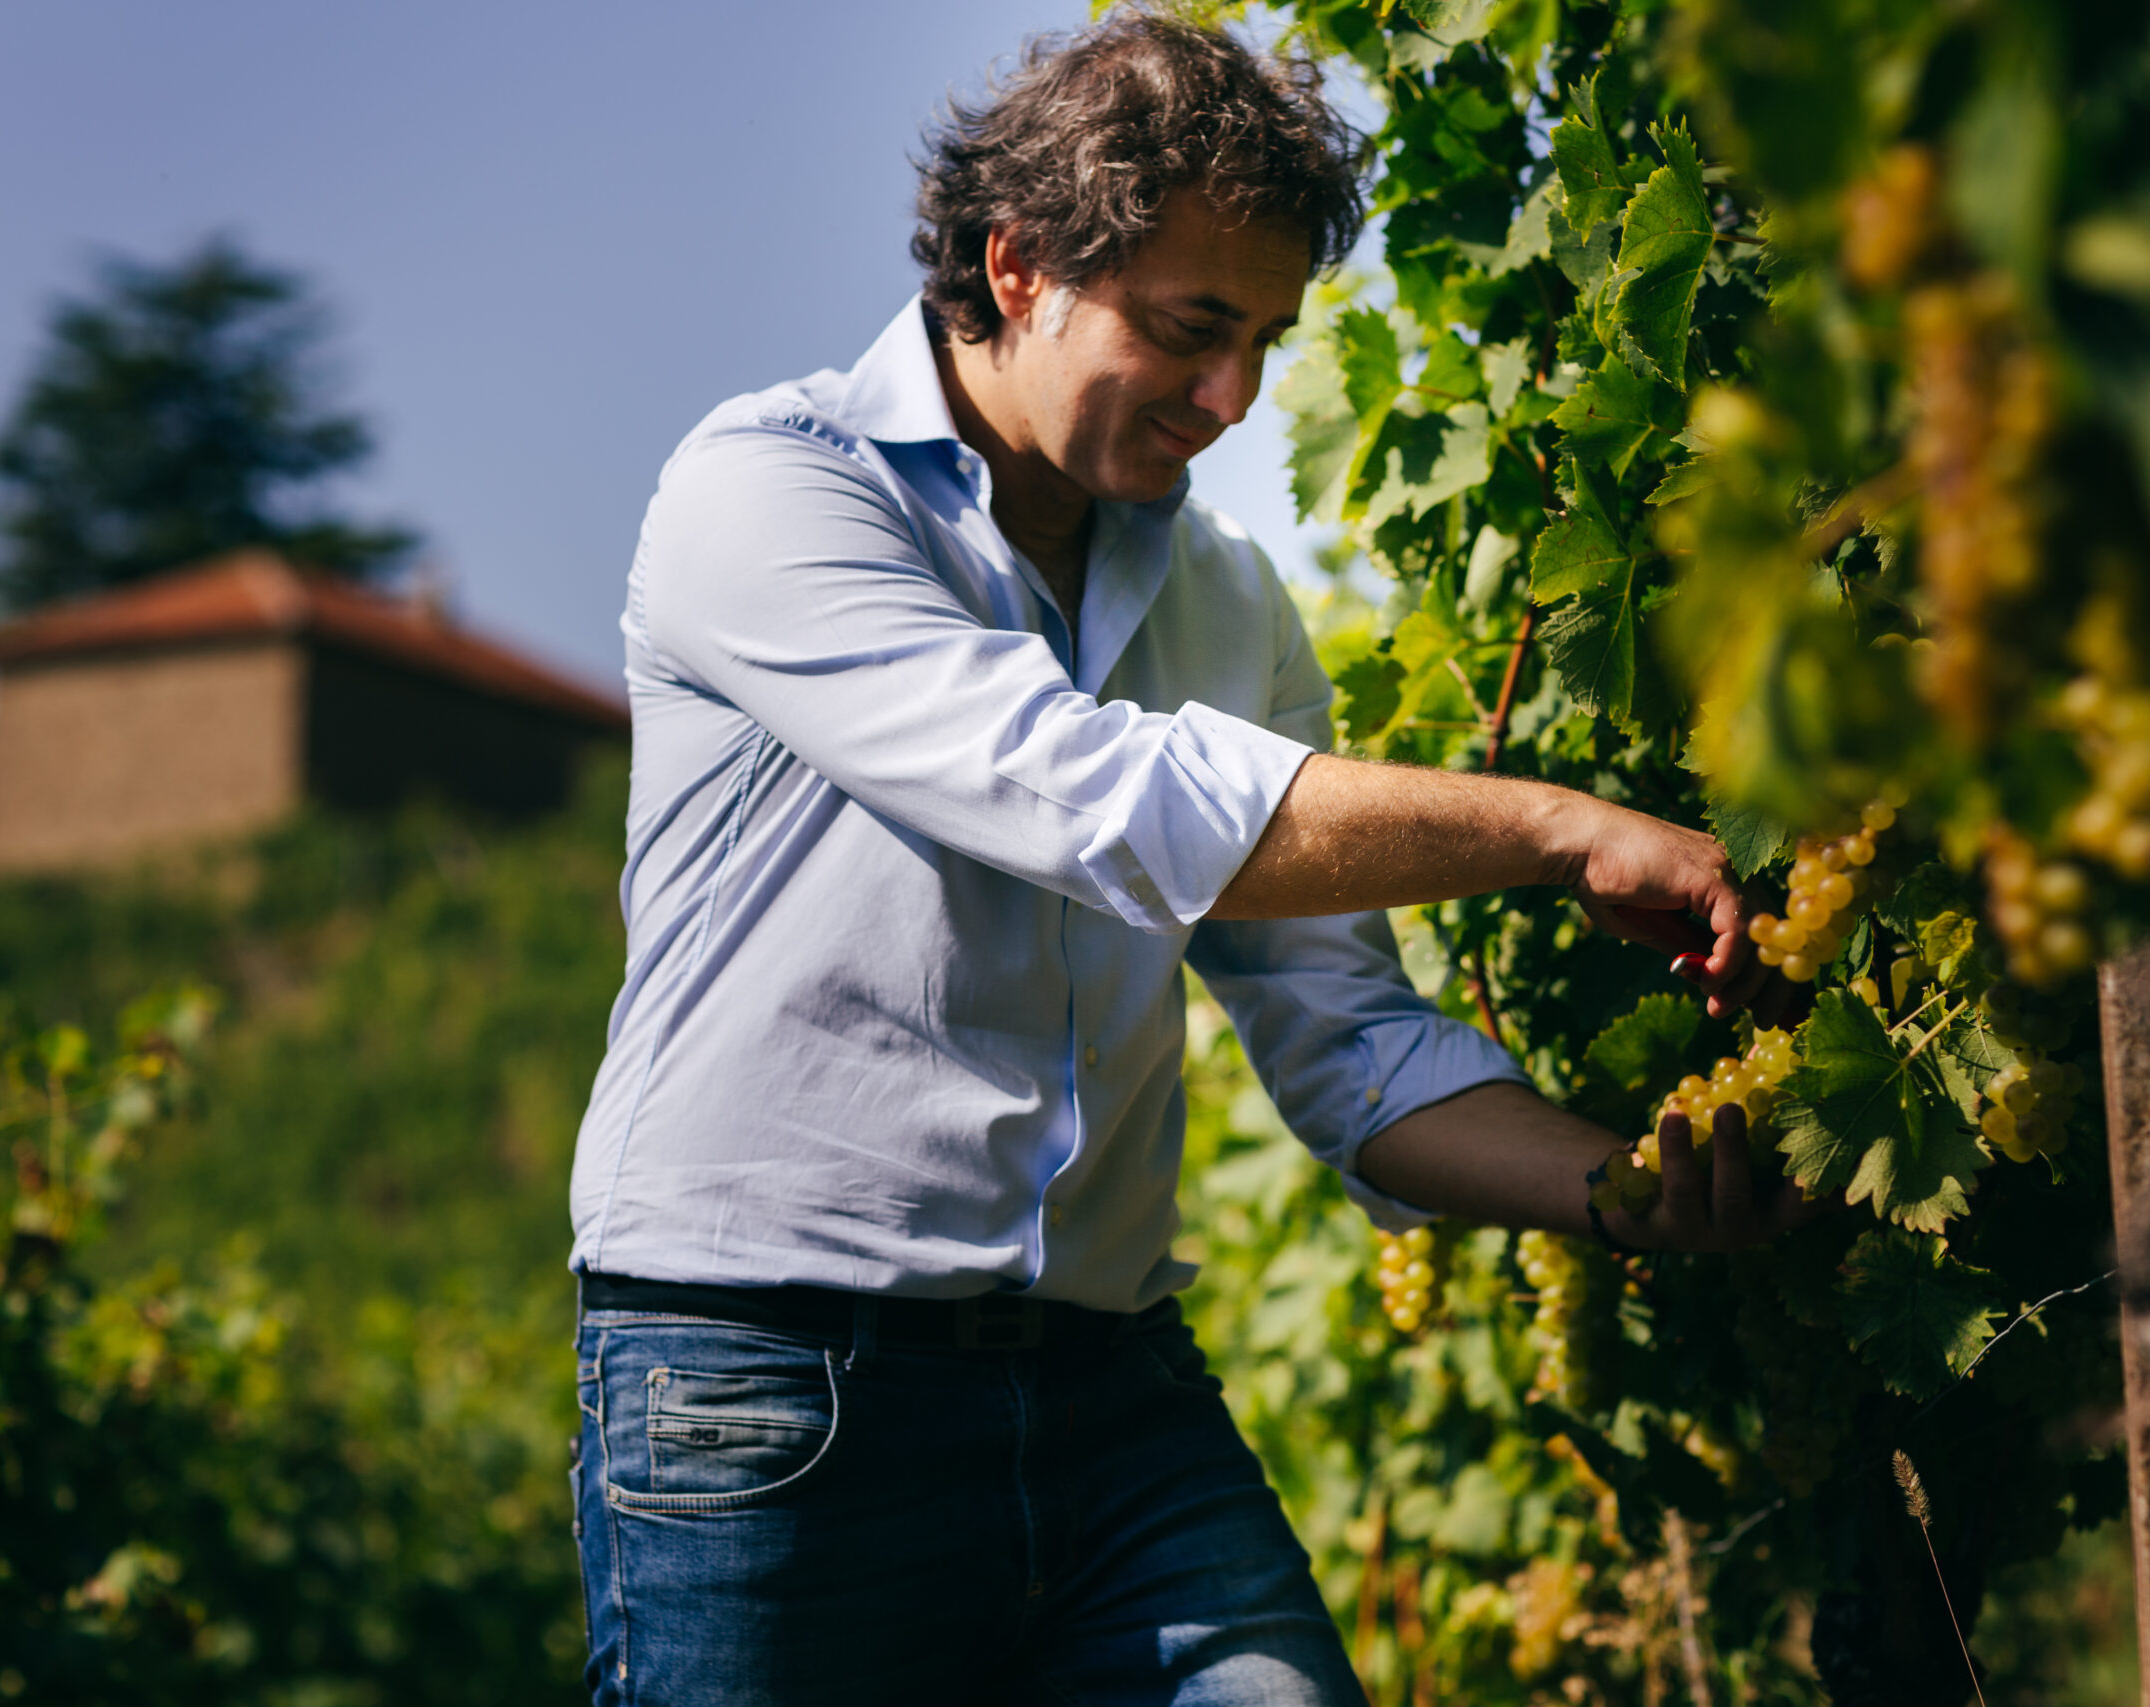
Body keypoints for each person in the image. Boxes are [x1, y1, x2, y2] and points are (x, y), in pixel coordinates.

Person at [566, 14, 1804, 1705]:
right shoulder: (773, 496)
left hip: (1114, 1402)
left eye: (1269, 342)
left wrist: (1623, 1195)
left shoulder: (1226, 603)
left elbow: (1349, 1044)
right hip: (769, 1393)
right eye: (1191, 329)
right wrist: (1551, 827)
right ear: (1016, 266)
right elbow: (1102, 803)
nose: (1231, 400)